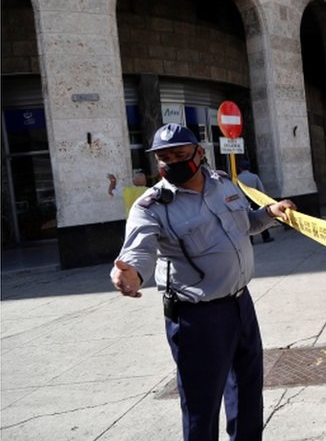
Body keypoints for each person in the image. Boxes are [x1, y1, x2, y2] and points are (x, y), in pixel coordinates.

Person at [110, 123, 295, 441]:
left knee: (248, 391)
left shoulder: (223, 184)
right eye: (163, 158)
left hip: (240, 304)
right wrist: (130, 274)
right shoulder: (151, 207)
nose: (172, 163)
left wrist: (269, 213)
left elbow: (244, 224)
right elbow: (139, 251)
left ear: (200, 153)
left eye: (180, 154)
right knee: (201, 406)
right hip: (197, 317)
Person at [236, 157, 273, 244]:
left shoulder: (237, 178)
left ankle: (250, 240)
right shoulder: (254, 177)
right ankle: (266, 236)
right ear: (249, 167)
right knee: (260, 218)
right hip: (255, 199)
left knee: (246, 219)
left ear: (239, 168)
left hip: (243, 201)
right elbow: (261, 190)